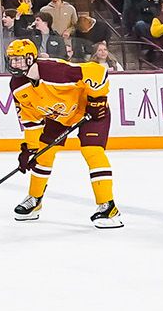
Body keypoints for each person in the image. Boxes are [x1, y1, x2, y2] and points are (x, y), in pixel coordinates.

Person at [7, 38, 121, 229]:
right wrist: (30, 149)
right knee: (43, 154)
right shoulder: (18, 86)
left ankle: (108, 206)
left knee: (92, 152)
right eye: (11, 60)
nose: (14, 64)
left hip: (90, 111)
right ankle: (34, 201)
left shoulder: (55, 72)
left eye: (18, 59)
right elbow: (30, 119)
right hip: (59, 116)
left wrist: (97, 100)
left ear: (30, 59)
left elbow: (98, 71)